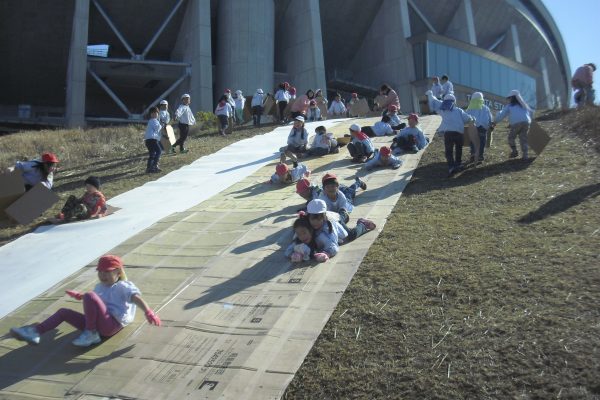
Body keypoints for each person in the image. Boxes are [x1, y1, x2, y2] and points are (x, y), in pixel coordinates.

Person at [10, 254, 161, 347]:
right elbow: (96, 301)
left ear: (118, 272)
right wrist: (80, 296)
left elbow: (136, 298)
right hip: (97, 324)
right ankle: (35, 332)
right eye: (100, 272)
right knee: (63, 312)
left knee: (90, 296)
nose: (103, 275)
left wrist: (148, 311)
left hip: (112, 325)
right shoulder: (100, 286)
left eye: (107, 272)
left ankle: (90, 333)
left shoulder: (123, 286)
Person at [426, 91, 475, 176]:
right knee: (458, 149)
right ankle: (458, 164)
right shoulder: (459, 110)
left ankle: (451, 167)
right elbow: (468, 119)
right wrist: (472, 119)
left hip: (448, 134)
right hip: (459, 133)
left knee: (449, 151)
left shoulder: (442, 111)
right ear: (454, 102)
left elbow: (435, 103)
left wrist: (430, 95)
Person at [306, 199, 376, 258]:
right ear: (308, 217)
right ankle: (343, 213)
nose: (315, 223)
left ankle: (362, 224)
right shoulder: (305, 223)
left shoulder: (328, 227)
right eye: (312, 219)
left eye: (318, 220)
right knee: (341, 217)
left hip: (336, 220)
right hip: (333, 216)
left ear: (324, 218)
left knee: (351, 235)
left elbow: (333, 246)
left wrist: (327, 253)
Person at [492, 89, 533, 160]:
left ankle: (514, 151)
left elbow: (501, 115)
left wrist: (494, 122)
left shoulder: (510, 106)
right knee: (523, 139)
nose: (509, 99)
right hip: (526, 123)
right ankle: (525, 156)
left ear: (512, 98)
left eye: (509, 98)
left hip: (516, 124)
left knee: (511, 138)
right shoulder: (524, 105)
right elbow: (530, 113)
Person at [296, 176, 366, 207]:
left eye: (302, 193)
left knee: (351, 193)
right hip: (333, 189)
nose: (301, 195)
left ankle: (358, 182)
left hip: (339, 189)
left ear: (309, 189)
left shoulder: (318, 193)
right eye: (300, 193)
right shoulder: (311, 193)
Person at [466, 92, 493, 163]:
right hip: (483, 128)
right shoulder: (485, 108)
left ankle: (473, 154)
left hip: (473, 127)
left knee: (473, 141)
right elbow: (490, 118)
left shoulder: (470, 108)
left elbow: (466, 117)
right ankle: (480, 155)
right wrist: (491, 124)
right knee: (481, 142)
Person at [144, 107, 162, 173]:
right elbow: (157, 128)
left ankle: (149, 168)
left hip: (148, 140)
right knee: (159, 151)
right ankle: (155, 165)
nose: (154, 114)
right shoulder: (154, 120)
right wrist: (161, 125)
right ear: (150, 114)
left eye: (156, 113)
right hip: (152, 139)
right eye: (153, 113)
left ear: (158, 114)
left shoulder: (150, 121)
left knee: (152, 154)